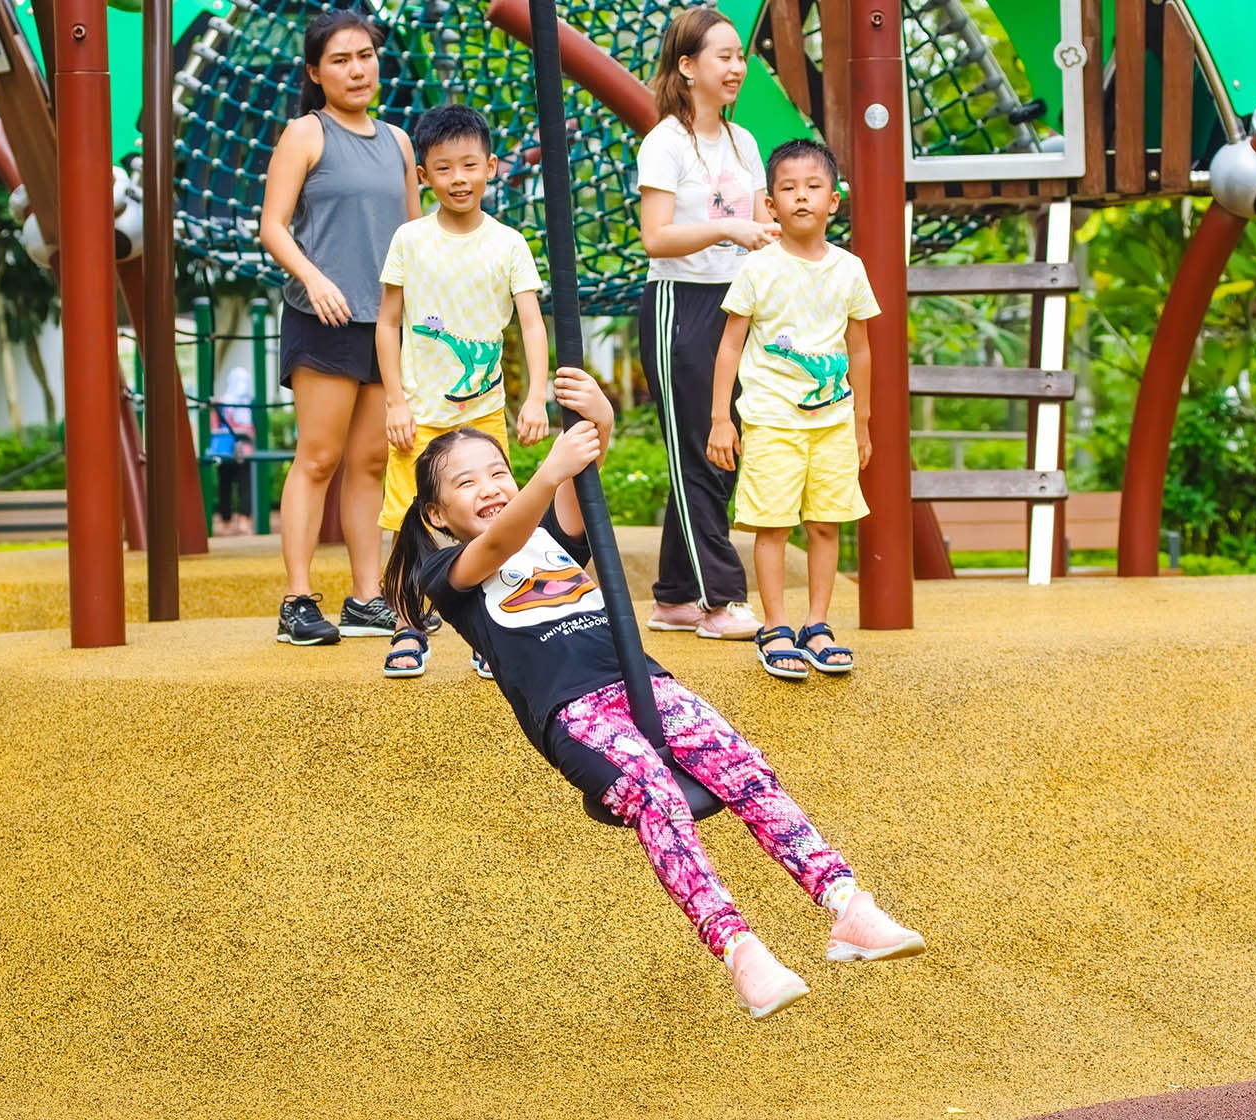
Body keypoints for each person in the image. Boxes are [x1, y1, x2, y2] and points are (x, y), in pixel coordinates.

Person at [382, 366, 926, 1021]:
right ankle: (740, 949)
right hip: (574, 712)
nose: (491, 488)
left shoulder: (553, 541)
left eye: (497, 472)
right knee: (653, 792)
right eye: (466, 483)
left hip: (643, 681)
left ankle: (847, 906)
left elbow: (580, 471)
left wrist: (599, 417)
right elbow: (501, 540)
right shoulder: (450, 573)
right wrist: (546, 471)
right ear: (438, 514)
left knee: (744, 767)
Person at [260, 8, 419, 646]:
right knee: (319, 458)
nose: (357, 70)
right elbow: (272, 226)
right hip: (320, 318)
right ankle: (298, 600)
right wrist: (316, 277)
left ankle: (366, 597)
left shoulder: (400, 142)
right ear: (315, 73)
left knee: (370, 461)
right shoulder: (305, 133)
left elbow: (412, 237)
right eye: (340, 60)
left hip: (381, 327)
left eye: (365, 57)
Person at [376, 104, 550, 678]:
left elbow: (530, 322)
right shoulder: (410, 239)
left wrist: (535, 395)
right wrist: (394, 399)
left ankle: (489, 630)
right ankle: (407, 627)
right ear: (423, 176)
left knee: (493, 516)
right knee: (407, 520)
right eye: (443, 168)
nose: (458, 179)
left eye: (469, 165)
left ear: (491, 167)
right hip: (419, 414)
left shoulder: (508, 243)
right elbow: (388, 323)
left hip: (483, 417)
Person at [707, 139, 877, 680]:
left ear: (833, 200)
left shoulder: (849, 269)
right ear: (771, 205)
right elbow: (730, 345)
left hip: (833, 421)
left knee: (826, 524)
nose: (801, 196)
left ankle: (818, 624)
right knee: (773, 525)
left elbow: (860, 349)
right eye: (787, 188)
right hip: (772, 419)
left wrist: (862, 422)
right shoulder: (759, 268)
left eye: (813, 186)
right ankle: (776, 625)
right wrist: (720, 418)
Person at [635, 6, 778, 642]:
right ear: (688, 67)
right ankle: (721, 599)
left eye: (739, 56)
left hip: (736, 304)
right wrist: (726, 227)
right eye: (722, 56)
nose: (736, 67)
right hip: (679, 305)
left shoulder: (744, 143)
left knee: (720, 452)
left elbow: (759, 233)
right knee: (699, 449)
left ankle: (672, 598)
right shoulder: (665, 142)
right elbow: (655, 239)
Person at [211, 366, 256, 537]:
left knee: (240, 485)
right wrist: (241, 431)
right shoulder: (223, 403)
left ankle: (241, 519)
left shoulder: (247, 404)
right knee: (228, 485)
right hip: (231, 450)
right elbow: (214, 428)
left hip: (241, 450)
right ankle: (228, 521)